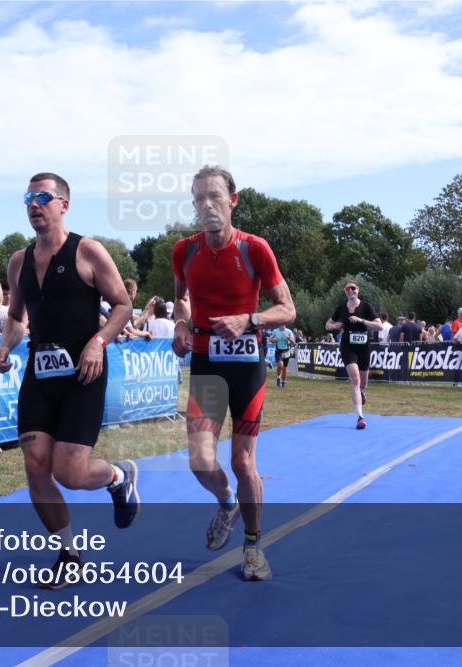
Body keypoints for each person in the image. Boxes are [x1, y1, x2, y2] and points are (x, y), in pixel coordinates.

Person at [0, 172, 138, 589]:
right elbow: (18, 318)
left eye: (43, 197)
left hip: (84, 373)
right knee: (36, 466)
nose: (34, 204)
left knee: (70, 473)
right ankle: (69, 554)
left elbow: (124, 306)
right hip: (41, 372)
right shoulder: (18, 261)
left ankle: (119, 477)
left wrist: (98, 341)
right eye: (28, 197)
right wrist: (5, 347)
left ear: (63, 205)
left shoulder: (88, 251)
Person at [171, 165, 295, 582]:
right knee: (201, 460)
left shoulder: (255, 248)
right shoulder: (183, 251)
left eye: (215, 197)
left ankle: (254, 546)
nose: (207, 206)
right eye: (199, 199)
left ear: (233, 199)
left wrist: (250, 319)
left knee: (243, 463)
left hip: (246, 366)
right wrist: (182, 325)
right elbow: (180, 301)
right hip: (207, 365)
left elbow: (288, 310)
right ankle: (227, 503)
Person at [325, 281, 382, 430]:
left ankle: (362, 392)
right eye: (347, 289)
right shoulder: (341, 308)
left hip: (363, 346)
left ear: (358, 290)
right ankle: (360, 417)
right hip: (347, 345)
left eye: (353, 288)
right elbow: (327, 325)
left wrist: (361, 320)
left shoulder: (366, 306)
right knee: (354, 378)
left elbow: (379, 325)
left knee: (363, 382)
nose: (350, 291)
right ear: (345, 292)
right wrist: (335, 326)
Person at [268, 323, 296, 388]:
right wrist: (274, 340)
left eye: (284, 325)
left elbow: (293, 342)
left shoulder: (289, 331)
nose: (283, 326)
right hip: (278, 351)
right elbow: (270, 339)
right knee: (280, 364)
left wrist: (288, 338)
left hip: (286, 351)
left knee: (284, 368)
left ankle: (283, 382)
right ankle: (278, 377)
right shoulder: (275, 331)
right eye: (282, 324)